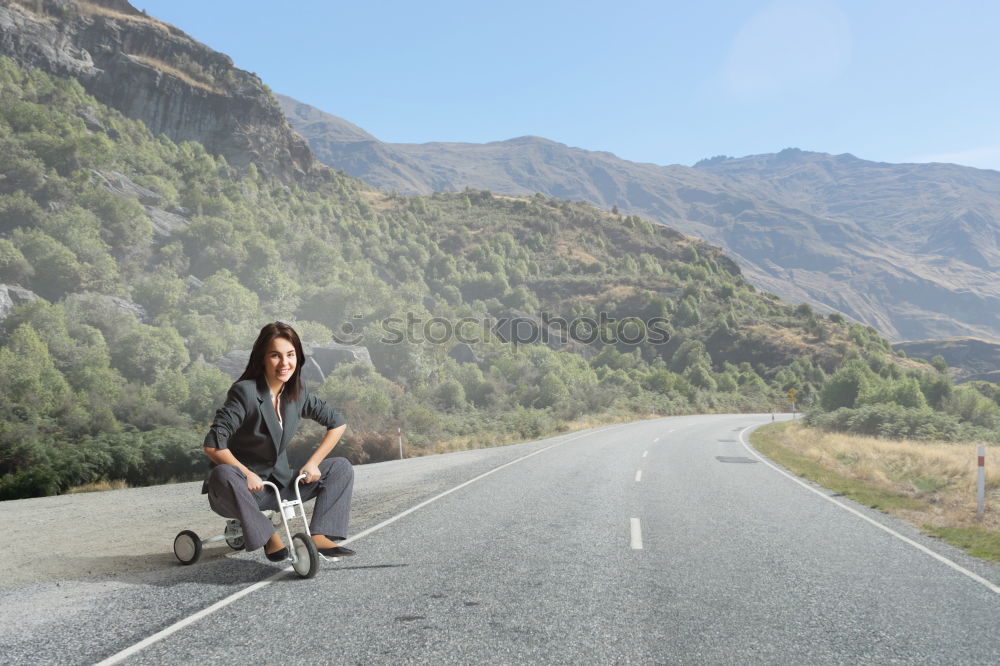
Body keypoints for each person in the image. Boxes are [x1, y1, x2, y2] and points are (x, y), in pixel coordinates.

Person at [202, 321, 355, 561]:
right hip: (239, 489)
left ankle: (320, 534)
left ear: (298, 357)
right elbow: (212, 444)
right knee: (223, 473)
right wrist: (246, 473)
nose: (285, 363)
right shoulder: (245, 392)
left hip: (279, 487)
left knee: (340, 467)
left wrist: (314, 462)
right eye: (275, 355)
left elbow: (337, 423)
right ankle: (268, 535)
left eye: (290, 355)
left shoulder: (296, 393)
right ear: (262, 358)